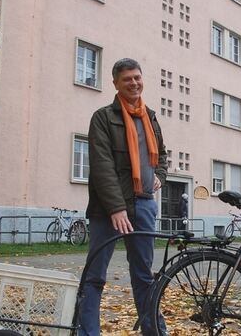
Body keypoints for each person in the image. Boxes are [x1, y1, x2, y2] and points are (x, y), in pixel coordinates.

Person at [79, 58, 168, 336]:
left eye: (137, 77)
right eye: (127, 78)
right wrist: (116, 207)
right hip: (107, 210)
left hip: (143, 205)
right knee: (94, 276)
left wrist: (160, 176)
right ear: (115, 83)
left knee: (143, 275)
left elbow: (162, 156)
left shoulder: (150, 117)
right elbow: (102, 166)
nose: (134, 83)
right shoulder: (103, 117)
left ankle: (154, 332)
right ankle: (88, 332)